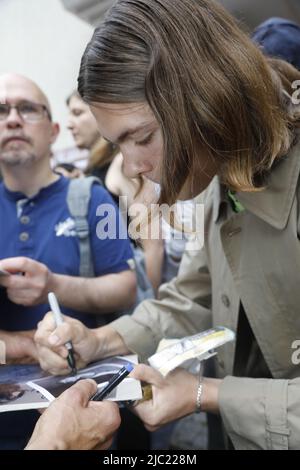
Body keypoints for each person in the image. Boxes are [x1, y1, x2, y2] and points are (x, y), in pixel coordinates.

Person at [35, 0, 300, 450]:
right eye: (118, 144)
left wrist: (206, 394)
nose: (133, 166)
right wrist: (99, 340)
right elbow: (192, 293)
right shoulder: (221, 164)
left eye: (143, 137)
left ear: (208, 94)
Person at [0, 73, 136, 449]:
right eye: (1, 110)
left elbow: (128, 287)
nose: (12, 119)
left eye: (27, 109)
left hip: (87, 418)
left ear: (53, 130)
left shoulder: (94, 198)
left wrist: (53, 285)